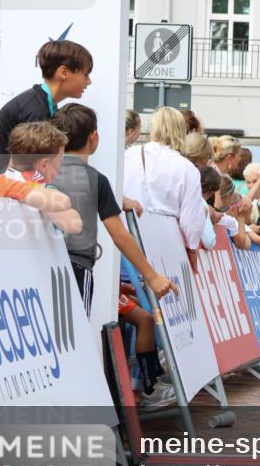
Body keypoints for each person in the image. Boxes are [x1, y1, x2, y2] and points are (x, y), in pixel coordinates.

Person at [50, 103, 176, 317]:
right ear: (94, 138)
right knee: (75, 335)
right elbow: (119, 235)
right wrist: (151, 275)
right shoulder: (95, 180)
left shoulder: (40, 172)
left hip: (42, 263)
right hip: (78, 266)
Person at [0, 40, 92, 174]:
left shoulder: (41, 104)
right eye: (86, 75)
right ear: (64, 73)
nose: (89, 82)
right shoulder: (35, 111)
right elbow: (32, 169)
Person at [123, 107, 206, 251]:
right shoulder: (187, 169)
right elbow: (191, 223)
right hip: (166, 246)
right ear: (181, 130)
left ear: (153, 128)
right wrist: (192, 249)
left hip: (128, 238)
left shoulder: (130, 154)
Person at [2, 122, 83, 234]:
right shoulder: (17, 185)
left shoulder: (3, 181)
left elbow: (76, 223)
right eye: (59, 161)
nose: (60, 166)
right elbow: (74, 225)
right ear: (44, 164)